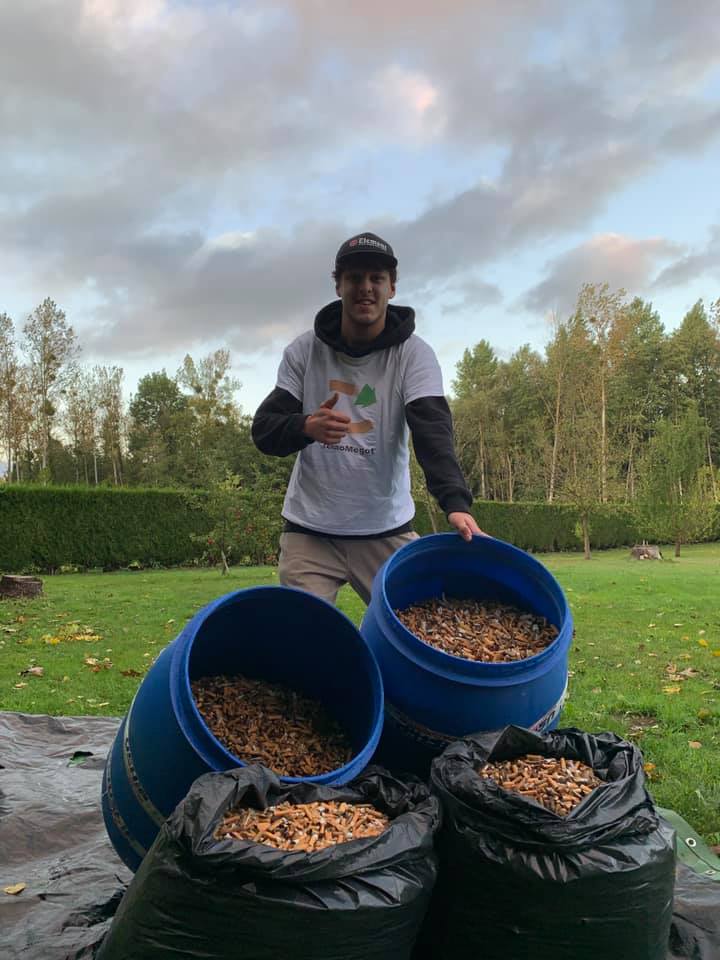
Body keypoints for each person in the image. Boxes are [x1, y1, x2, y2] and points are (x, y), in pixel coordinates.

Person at [251, 231, 483, 605]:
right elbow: (263, 430)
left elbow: (432, 431)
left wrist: (455, 503)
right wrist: (304, 426)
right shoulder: (303, 351)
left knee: (414, 638)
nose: (365, 288)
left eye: (376, 278)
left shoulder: (414, 356)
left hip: (385, 530)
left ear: (392, 288)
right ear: (338, 285)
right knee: (301, 643)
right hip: (310, 532)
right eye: (355, 278)